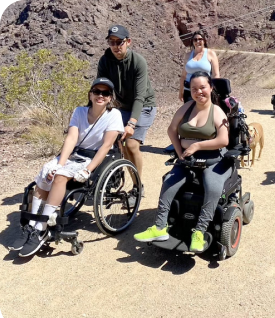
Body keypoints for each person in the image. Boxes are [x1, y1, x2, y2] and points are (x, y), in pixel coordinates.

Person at [8, 78, 124, 257]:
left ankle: (42, 227)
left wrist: (88, 170)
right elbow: (71, 139)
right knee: (47, 171)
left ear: (110, 98)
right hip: (74, 155)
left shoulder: (114, 115)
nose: (100, 95)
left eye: (105, 93)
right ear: (90, 94)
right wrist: (59, 163)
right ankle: (32, 226)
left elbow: (106, 146)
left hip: (92, 159)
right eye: (97, 91)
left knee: (61, 176)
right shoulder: (79, 111)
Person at [134, 71, 230, 252]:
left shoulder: (217, 112)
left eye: (202, 87)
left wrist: (197, 146)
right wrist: (180, 152)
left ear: (210, 87)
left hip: (212, 160)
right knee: (169, 183)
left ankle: (199, 233)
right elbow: (171, 130)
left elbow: (223, 140)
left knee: (213, 187)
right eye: (194, 89)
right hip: (187, 159)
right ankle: (160, 228)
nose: (198, 92)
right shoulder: (186, 108)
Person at [97, 24, 157, 192]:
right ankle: (123, 177)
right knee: (118, 144)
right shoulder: (105, 61)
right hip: (123, 106)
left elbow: (140, 96)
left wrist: (131, 124)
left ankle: (138, 187)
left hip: (144, 105)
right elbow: (101, 88)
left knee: (131, 144)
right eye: (112, 42)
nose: (116, 46)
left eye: (119, 42)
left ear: (128, 42)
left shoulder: (138, 62)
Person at [179, 31, 220, 103]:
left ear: (204, 40)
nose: (197, 41)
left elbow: (216, 74)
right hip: (189, 91)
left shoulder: (210, 54)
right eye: (195, 40)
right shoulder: (188, 55)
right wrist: (180, 92)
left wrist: (214, 90)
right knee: (190, 113)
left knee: (205, 113)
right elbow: (183, 76)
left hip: (204, 91)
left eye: (200, 39)